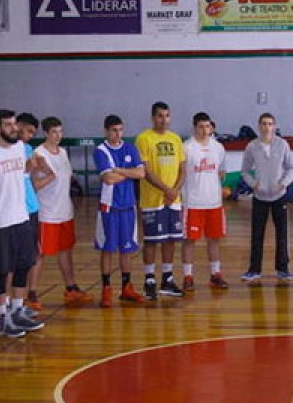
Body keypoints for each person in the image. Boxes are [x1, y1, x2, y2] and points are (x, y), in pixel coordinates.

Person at [0, 109, 43, 337]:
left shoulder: (21, 148)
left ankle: (18, 310)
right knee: (2, 271)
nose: (13, 128)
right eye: (7, 125)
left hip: (20, 217)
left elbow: (22, 175)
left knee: (24, 265)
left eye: (14, 124)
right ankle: (2, 317)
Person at [32, 116, 93, 306]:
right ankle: (31, 294)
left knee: (66, 251)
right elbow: (34, 185)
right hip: (47, 213)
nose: (58, 135)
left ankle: (71, 288)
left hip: (65, 212)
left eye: (60, 131)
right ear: (45, 133)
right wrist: (51, 175)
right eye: (54, 132)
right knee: (39, 254)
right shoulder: (38, 155)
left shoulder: (63, 153)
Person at [93, 114, 147, 308]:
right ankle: (106, 288)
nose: (118, 134)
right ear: (106, 131)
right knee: (108, 249)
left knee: (127, 248)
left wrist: (119, 170)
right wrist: (128, 172)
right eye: (114, 130)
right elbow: (108, 179)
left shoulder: (130, 148)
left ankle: (126, 287)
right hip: (109, 206)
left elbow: (141, 173)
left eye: (121, 130)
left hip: (128, 206)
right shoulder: (100, 151)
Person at [136, 101, 186, 300]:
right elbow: (145, 170)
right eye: (159, 116)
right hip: (153, 199)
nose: (163, 120)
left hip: (173, 199)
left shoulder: (175, 139)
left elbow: (183, 168)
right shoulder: (144, 139)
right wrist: (166, 189)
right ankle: (149, 279)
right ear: (152, 117)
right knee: (151, 241)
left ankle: (167, 278)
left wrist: (175, 190)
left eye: (167, 116)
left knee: (171, 240)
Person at [240, 112, 293, 283]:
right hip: (260, 196)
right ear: (259, 126)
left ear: (274, 126)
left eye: (270, 123)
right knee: (257, 234)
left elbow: (291, 168)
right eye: (264, 123)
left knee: (282, 234)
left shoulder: (282, 145)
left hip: (279, 196)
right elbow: (245, 170)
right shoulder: (252, 146)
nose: (267, 127)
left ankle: (283, 269)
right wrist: (253, 184)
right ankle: (254, 269)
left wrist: (284, 183)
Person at [181, 112, 230, 291]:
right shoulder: (186, 147)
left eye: (207, 126)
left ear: (211, 127)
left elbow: (222, 172)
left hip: (214, 203)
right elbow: (181, 174)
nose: (204, 130)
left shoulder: (218, 148)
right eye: (201, 126)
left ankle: (216, 274)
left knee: (214, 239)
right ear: (194, 127)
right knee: (189, 241)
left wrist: (221, 187)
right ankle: (188, 276)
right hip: (193, 202)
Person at [16, 112, 53, 311]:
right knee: (18, 259)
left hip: (32, 208)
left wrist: (42, 165)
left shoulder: (29, 149)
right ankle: (13, 305)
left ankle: (29, 295)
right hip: (17, 210)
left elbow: (40, 174)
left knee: (33, 254)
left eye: (33, 132)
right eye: (29, 131)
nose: (30, 135)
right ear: (18, 126)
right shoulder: (10, 151)